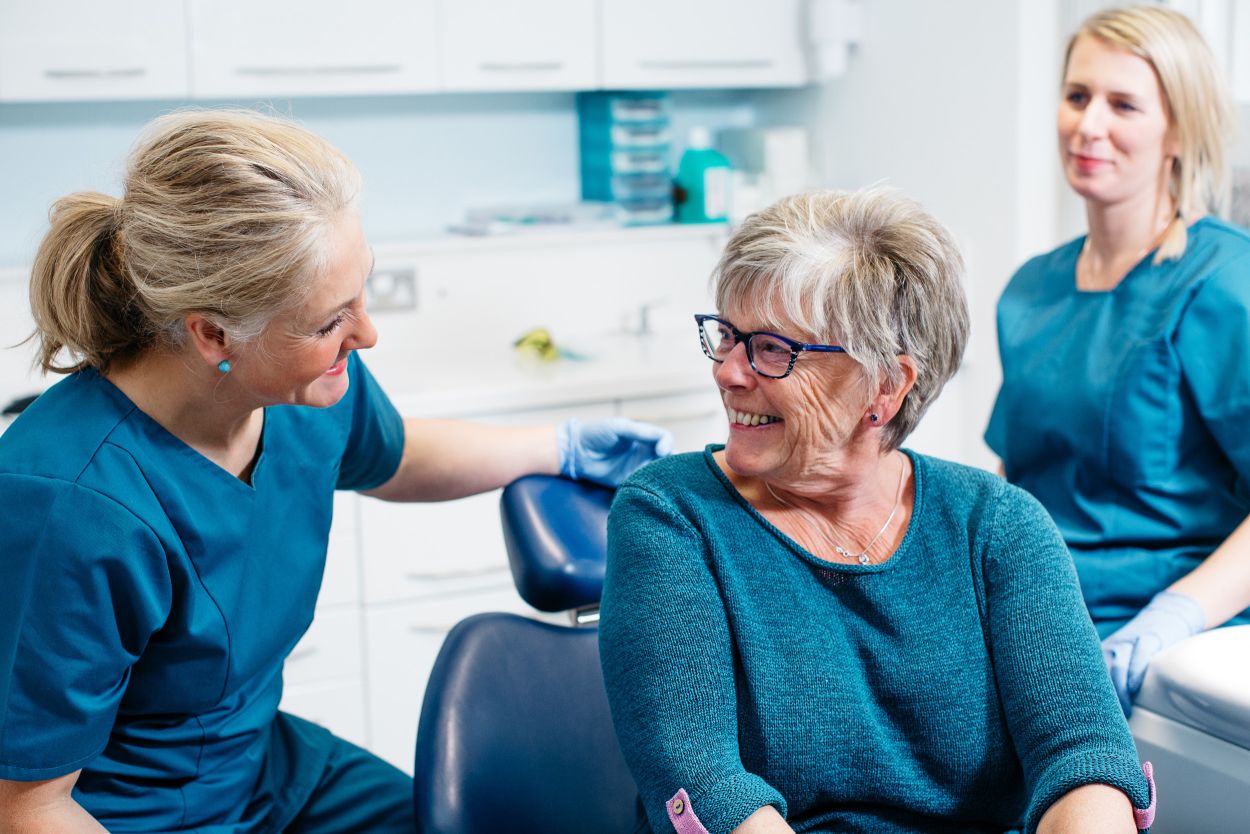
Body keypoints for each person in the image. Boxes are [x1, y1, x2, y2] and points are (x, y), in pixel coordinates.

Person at [0, 109, 670, 833]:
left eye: (363, 293)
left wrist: (556, 446)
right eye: (329, 321)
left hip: (269, 773)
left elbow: (393, 453)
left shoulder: (298, 392)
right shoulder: (68, 508)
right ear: (212, 333)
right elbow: (29, 804)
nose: (367, 333)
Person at [598, 188, 1155, 834]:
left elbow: (1085, 759)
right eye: (727, 336)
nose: (728, 371)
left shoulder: (998, 528)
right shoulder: (671, 518)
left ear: (886, 387)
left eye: (772, 349)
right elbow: (706, 785)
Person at [985, 5, 1250, 716]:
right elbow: (1021, 473)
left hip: (1157, 627)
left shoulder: (1224, 283)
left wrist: (1175, 617)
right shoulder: (1033, 288)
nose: (1088, 125)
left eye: (1123, 104)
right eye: (1077, 97)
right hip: (1033, 612)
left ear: (1179, 130)